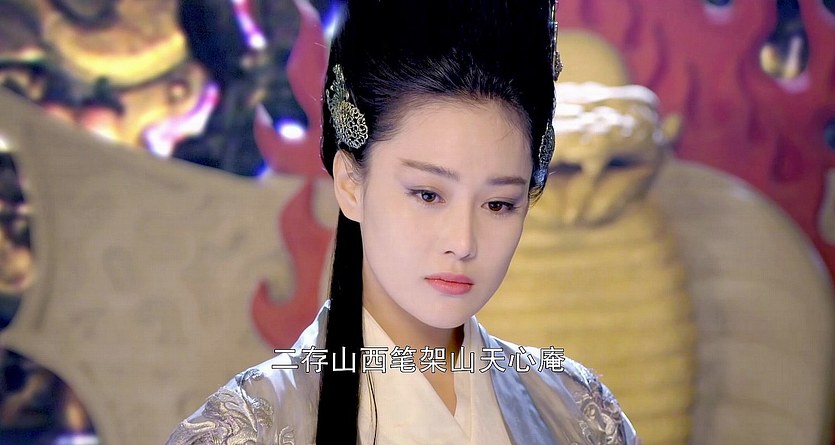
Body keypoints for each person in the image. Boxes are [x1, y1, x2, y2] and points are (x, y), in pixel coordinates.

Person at [167, 1, 640, 444]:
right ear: (350, 183)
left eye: (498, 204)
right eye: (428, 195)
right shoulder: (246, 431)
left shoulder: (579, 413)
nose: (463, 242)